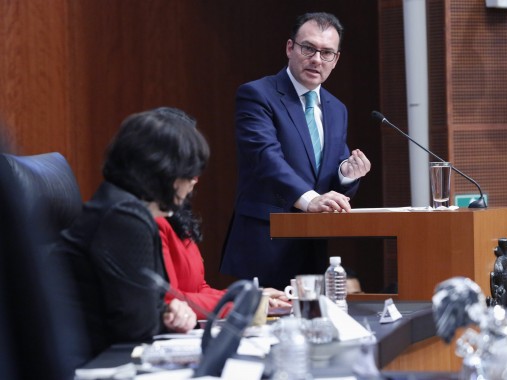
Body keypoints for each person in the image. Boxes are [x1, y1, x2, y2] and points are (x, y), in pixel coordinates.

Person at [221, 12, 371, 289]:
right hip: (266, 241)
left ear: (335, 60)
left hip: (312, 244)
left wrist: (347, 174)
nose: (316, 59)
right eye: (308, 48)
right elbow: (265, 158)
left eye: (327, 53)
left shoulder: (337, 108)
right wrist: (310, 199)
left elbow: (330, 173)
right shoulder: (257, 94)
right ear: (290, 48)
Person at [49, 107, 204, 368]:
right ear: (162, 170)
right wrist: (164, 314)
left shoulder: (117, 205)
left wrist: (167, 311)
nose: (193, 183)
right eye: (188, 173)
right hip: (92, 364)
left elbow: (142, 305)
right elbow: (136, 326)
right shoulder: (125, 216)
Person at [157, 198, 291, 321]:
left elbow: (199, 288)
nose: (195, 179)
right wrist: (245, 302)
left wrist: (253, 296)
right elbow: (169, 299)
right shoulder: (157, 220)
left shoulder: (179, 217)